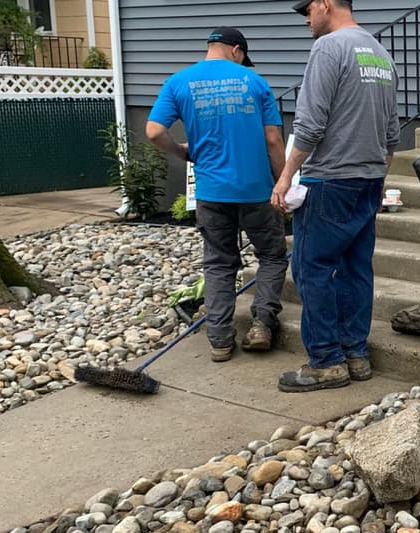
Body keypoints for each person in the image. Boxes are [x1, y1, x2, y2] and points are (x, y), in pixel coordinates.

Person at [270, 0, 400, 392]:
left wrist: (286, 176)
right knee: (356, 268)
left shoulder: (329, 48)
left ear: (326, 3)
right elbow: (392, 132)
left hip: (329, 180)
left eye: (307, 10)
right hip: (368, 178)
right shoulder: (380, 54)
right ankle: (355, 355)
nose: (306, 19)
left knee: (312, 268)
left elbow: (310, 124)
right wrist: (379, 180)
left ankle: (326, 361)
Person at [147, 27, 289, 362]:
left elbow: (154, 131)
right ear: (237, 51)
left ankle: (221, 340)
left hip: (211, 192)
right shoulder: (254, 82)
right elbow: (273, 141)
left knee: (219, 263)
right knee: (271, 255)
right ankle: (262, 325)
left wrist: (182, 152)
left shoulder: (178, 82)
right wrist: (283, 181)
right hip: (255, 190)